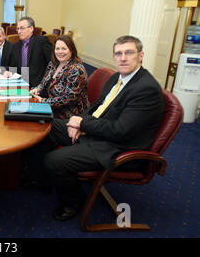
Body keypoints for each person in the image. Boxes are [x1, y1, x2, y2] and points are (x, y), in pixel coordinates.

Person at [37, 35, 164, 221]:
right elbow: (96, 106)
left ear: (141, 55)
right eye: (118, 53)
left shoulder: (146, 89)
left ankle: (73, 202)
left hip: (115, 147)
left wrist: (83, 124)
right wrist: (79, 120)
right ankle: (41, 178)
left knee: (53, 160)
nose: (123, 58)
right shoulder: (117, 77)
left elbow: (120, 130)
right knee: (45, 126)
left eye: (129, 53)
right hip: (97, 131)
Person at [30, 35, 89, 119]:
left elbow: (66, 99)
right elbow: (43, 83)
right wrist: (37, 89)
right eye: (57, 49)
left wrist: (43, 101)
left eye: (64, 49)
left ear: (71, 50)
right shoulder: (53, 64)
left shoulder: (76, 70)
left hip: (69, 115)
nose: (60, 52)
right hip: (51, 107)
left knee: (33, 120)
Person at [4, 16, 52, 87]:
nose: (19, 32)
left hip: (38, 86)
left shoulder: (41, 41)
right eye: (18, 29)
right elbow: (14, 66)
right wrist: (8, 72)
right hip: (20, 84)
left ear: (31, 28)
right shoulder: (16, 46)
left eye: (22, 28)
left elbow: (52, 63)